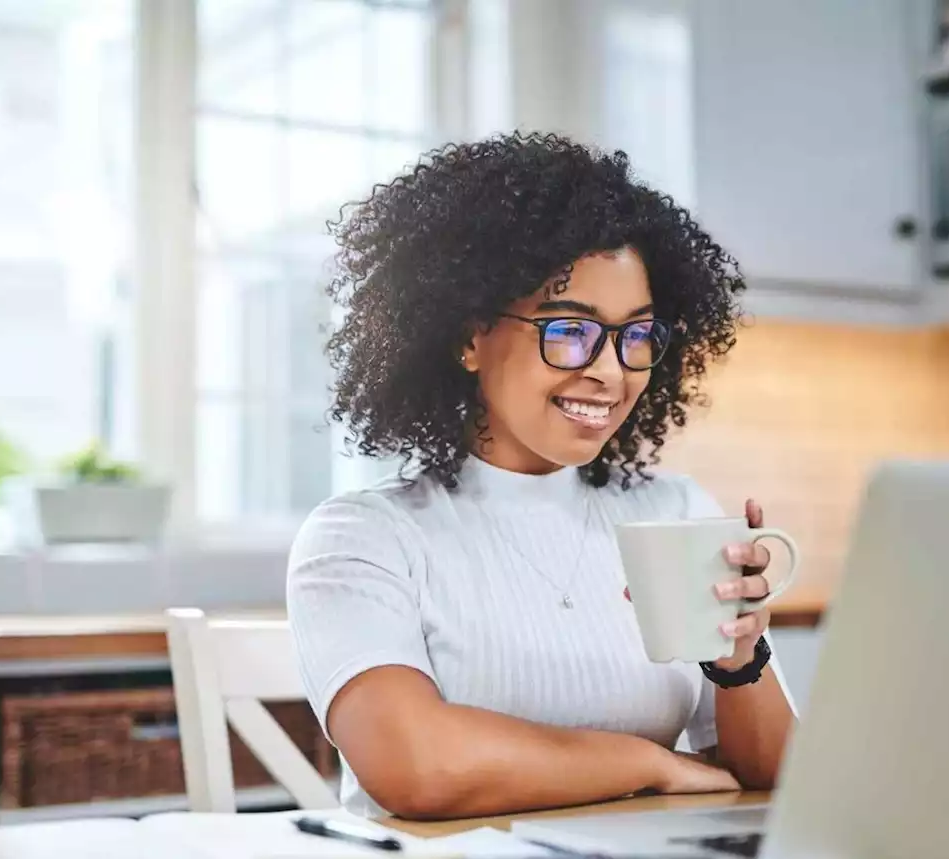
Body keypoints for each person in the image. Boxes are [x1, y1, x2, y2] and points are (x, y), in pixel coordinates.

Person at [288, 132, 797, 820]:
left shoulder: (675, 508)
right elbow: (417, 765)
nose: (612, 370)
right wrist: (648, 762)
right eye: (569, 329)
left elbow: (771, 779)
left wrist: (740, 661)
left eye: (637, 335)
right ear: (470, 335)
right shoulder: (366, 536)